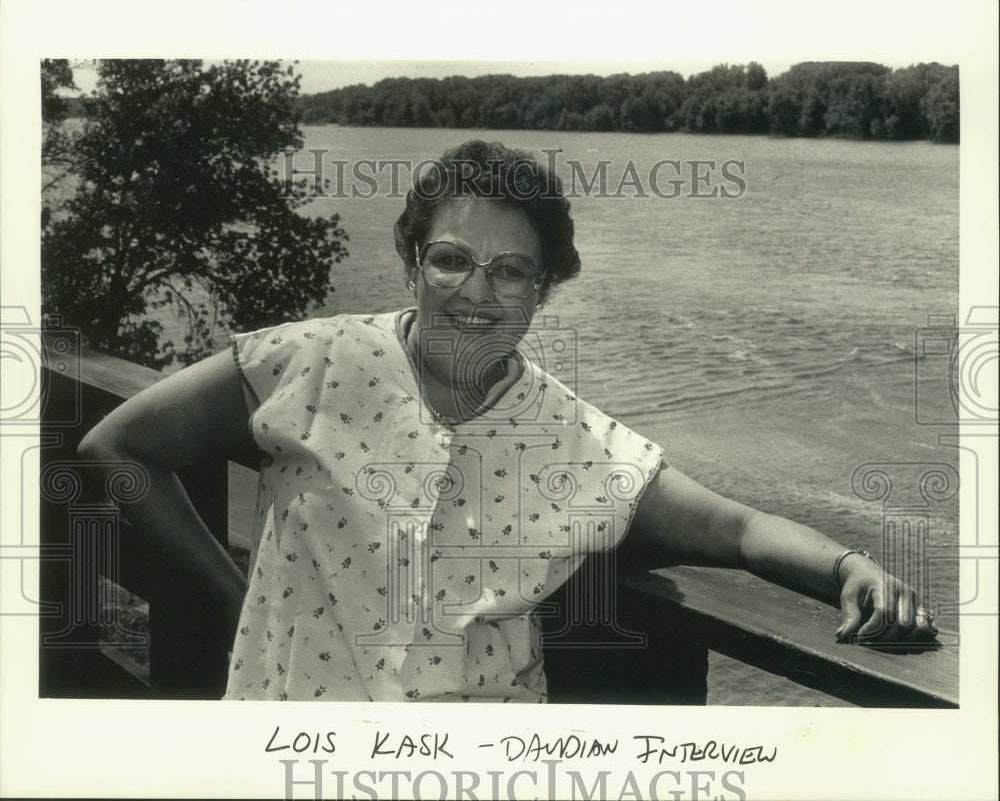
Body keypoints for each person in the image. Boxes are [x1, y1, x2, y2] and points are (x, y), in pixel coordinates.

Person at [78, 140, 937, 702]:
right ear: (413, 259)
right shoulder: (316, 361)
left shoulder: (570, 439)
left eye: (511, 271)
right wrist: (233, 608)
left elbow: (741, 528)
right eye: (450, 259)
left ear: (545, 288)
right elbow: (119, 446)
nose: (475, 293)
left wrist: (852, 566)